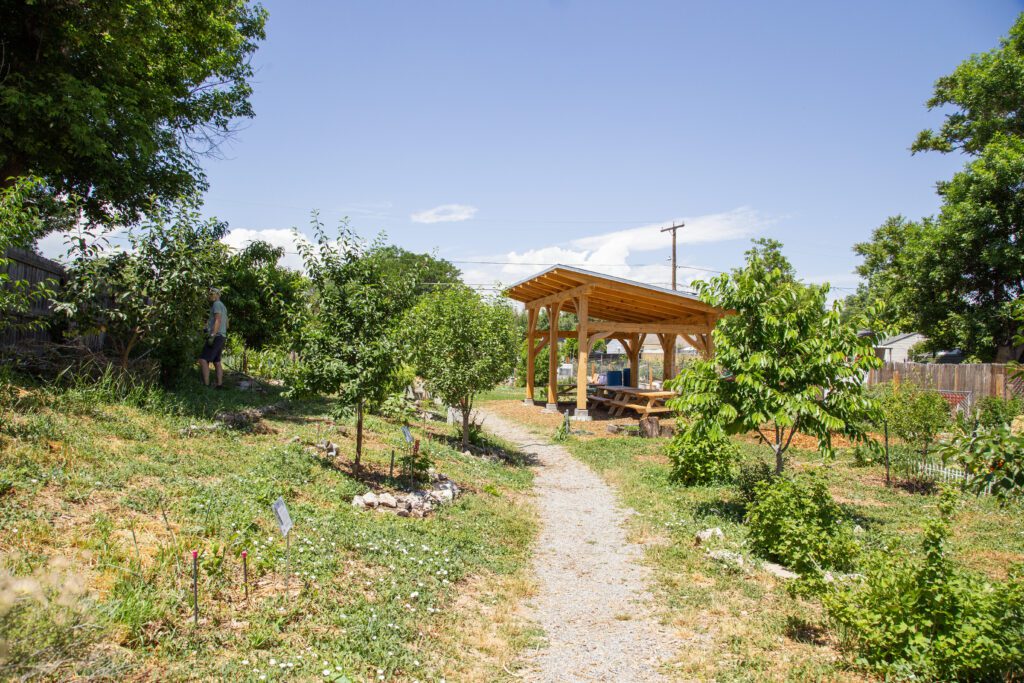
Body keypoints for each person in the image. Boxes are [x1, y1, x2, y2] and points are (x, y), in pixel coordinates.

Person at [198, 287, 228, 388]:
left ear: (217, 294)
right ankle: (219, 385)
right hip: (222, 336)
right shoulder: (223, 306)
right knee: (217, 361)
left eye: (212, 294)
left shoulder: (217, 304)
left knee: (203, 359)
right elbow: (226, 323)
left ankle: (205, 385)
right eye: (209, 294)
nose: (209, 296)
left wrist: (212, 335)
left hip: (216, 336)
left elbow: (218, 320)